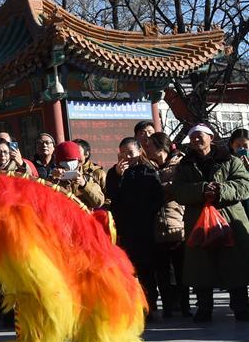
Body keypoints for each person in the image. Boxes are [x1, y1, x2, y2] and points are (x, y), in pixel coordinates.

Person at [171, 124, 249, 323]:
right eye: (193, 137)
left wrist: (220, 190)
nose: (196, 140)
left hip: (229, 219)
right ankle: (204, 308)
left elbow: (244, 185)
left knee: (235, 264)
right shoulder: (185, 165)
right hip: (198, 221)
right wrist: (202, 190)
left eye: (200, 136)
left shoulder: (231, 161)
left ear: (211, 137)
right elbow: (178, 191)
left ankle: (241, 306)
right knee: (200, 266)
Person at [106, 137, 164, 319]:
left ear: (139, 152)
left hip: (144, 228)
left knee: (146, 269)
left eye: (130, 153)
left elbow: (157, 198)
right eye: (123, 153)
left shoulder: (148, 171)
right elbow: (111, 197)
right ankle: (131, 306)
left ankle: (150, 305)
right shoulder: (113, 173)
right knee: (127, 270)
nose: (127, 157)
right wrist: (117, 176)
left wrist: (146, 215)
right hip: (124, 228)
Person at [144, 132, 190, 317]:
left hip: (177, 222)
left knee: (180, 269)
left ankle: (185, 305)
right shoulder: (145, 167)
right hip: (155, 224)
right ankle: (168, 307)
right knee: (161, 271)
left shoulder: (180, 164)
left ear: (161, 147)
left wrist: (162, 189)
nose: (146, 149)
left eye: (150, 145)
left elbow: (180, 189)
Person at [49, 141, 104, 209]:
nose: (68, 164)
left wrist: (84, 185)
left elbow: (99, 202)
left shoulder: (87, 176)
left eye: (71, 161)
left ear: (78, 161)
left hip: (83, 217)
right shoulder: (54, 177)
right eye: (64, 162)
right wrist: (53, 180)